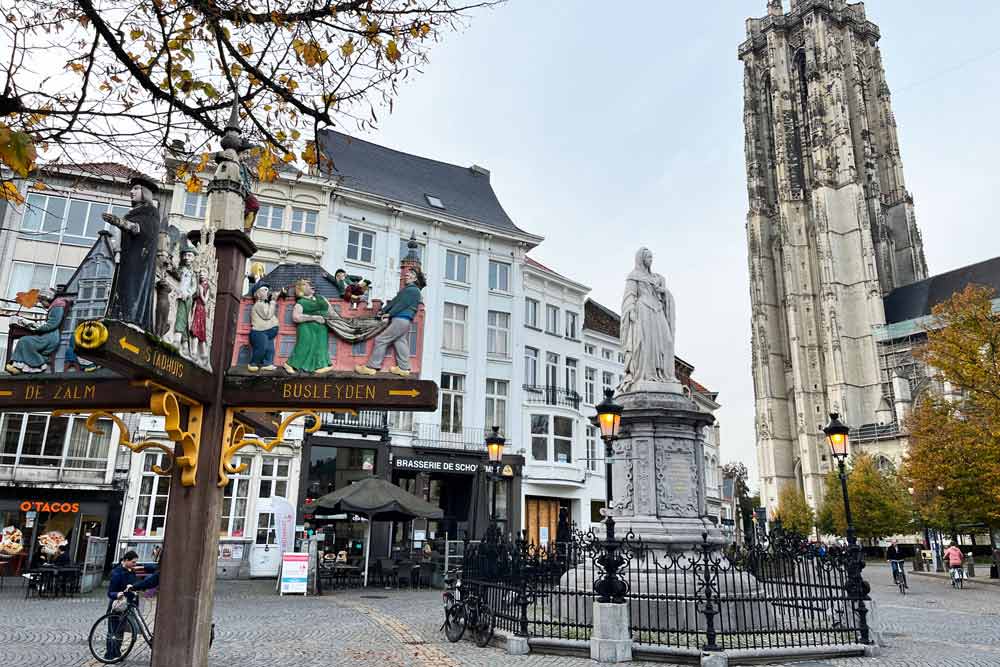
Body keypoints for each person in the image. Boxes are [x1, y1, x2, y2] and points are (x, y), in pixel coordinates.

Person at [104, 175, 161, 331]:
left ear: (145, 192)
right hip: (126, 257)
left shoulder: (151, 212)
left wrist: (121, 223)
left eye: (136, 188)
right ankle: (119, 316)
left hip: (139, 260)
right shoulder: (132, 212)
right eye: (132, 188)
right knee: (121, 287)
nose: (131, 191)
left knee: (132, 287)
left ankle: (132, 317)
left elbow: (141, 230)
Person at [356, 268, 425, 377]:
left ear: (415, 278)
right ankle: (404, 368)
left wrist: (389, 313)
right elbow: (395, 302)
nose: (407, 274)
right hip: (404, 320)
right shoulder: (409, 290)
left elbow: (402, 304)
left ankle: (372, 367)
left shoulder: (412, 290)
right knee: (400, 342)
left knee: (381, 340)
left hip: (400, 319)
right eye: (407, 273)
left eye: (411, 274)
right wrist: (383, 311)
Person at [104, 550, 160, 659]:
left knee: (121, 630)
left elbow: (149, 568)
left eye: (136, 562)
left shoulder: (132, 568)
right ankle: (110, 655)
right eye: (133, 562)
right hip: (118, 605)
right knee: (113, 631)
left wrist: (158, 567)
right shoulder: (117, 573)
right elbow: (110, 592)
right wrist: (117, 594)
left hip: (129, 604)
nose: (135, 564)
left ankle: (117, 653)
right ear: (125, 560)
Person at [5, 289, 70, 374]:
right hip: (47, 335)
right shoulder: (55, 307)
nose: (41, 303)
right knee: (24, 340)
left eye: (41, 301)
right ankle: (19, 365)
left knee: (25, 341)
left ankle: (38, 364)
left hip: (50, 338)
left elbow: (52, 325)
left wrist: (36, 327)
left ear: (47, 299)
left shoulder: (57, 307)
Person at [284, 279, 333, 374]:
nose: (311, 285)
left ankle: (323, 365)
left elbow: (331, 311)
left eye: (311, 284)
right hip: (306, 328)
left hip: (322, 327)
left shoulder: (322, 298)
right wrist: (314, 317)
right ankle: (289, 364)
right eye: (307, 284)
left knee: (321, 346)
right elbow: (296, 317)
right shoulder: (301, 302)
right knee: (303, 346)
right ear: (301, 289)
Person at [248, 284, 280, 372]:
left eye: (267, 290)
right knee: (262, 348)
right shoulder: (258, 305)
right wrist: (273, 301)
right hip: (260, 332)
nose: (267, 291)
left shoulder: (266, 304)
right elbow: (267, 315)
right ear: (257, 295)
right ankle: (253, 363)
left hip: (268, 332)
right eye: (264, 290)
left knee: (270, 350)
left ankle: (268, 363)